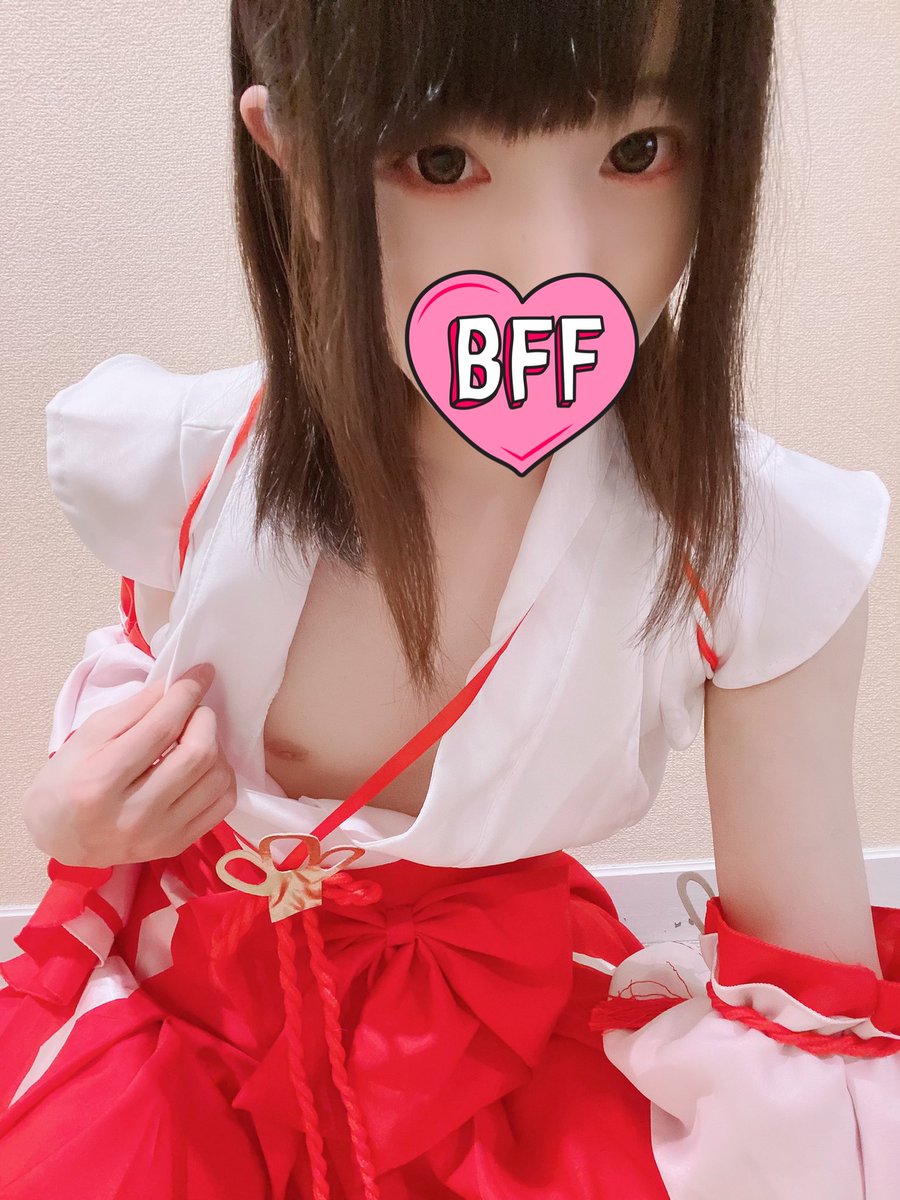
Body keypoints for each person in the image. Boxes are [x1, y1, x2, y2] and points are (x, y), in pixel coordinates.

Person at [2, 2, 898, 1198]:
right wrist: (72, 820)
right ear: (291, 157)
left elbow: (807, 1002)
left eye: (639, 151)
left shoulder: (762, 548)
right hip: (177, 1034)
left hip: (488, 1058)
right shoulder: (187, 455)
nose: (558, 259)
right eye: (440, 161)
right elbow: (144, 718)